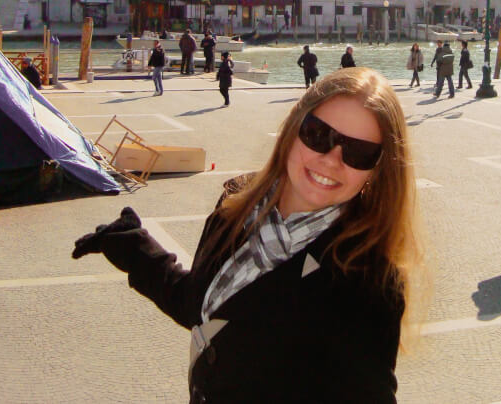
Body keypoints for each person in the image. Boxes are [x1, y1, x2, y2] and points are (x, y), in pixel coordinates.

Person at [72, 68, 422, 403]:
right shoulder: (236, 205)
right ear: (292, 128)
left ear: (377, 171)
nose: (332, 159)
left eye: (359, 153)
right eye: (319, 134)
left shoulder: (369, 277)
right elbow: (205, 308)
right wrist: (134, 249)